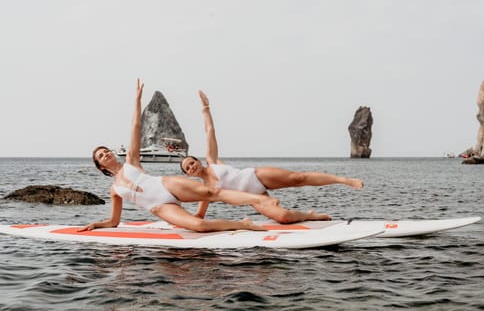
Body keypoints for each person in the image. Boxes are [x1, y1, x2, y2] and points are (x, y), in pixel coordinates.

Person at [79, 80, 280, 233]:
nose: (106, 155)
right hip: (160, 207)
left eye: (106, 151)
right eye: (101, 156)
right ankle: (243, 224)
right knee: (198, 226)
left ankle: (260, 200)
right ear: (101, 167)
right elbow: (114, 221)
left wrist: (137, 100)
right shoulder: (114, 189)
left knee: (212, 193)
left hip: (166, 185)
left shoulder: (131, 161)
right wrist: (97, 224)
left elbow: (136, 127)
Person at [180, 90, 365, 224]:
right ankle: (311, 216)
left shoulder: (212, 162)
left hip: (256, 176)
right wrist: (176, 217)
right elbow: (199, 217)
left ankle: (345, 180)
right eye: (187, 168)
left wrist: (205, 109)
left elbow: (209, 130)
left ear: (197, 161)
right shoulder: (205, 191)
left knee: (298, 178)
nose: (191, 167)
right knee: (282, 217)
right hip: (255, 196)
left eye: (191, 162)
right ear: (188, 175)